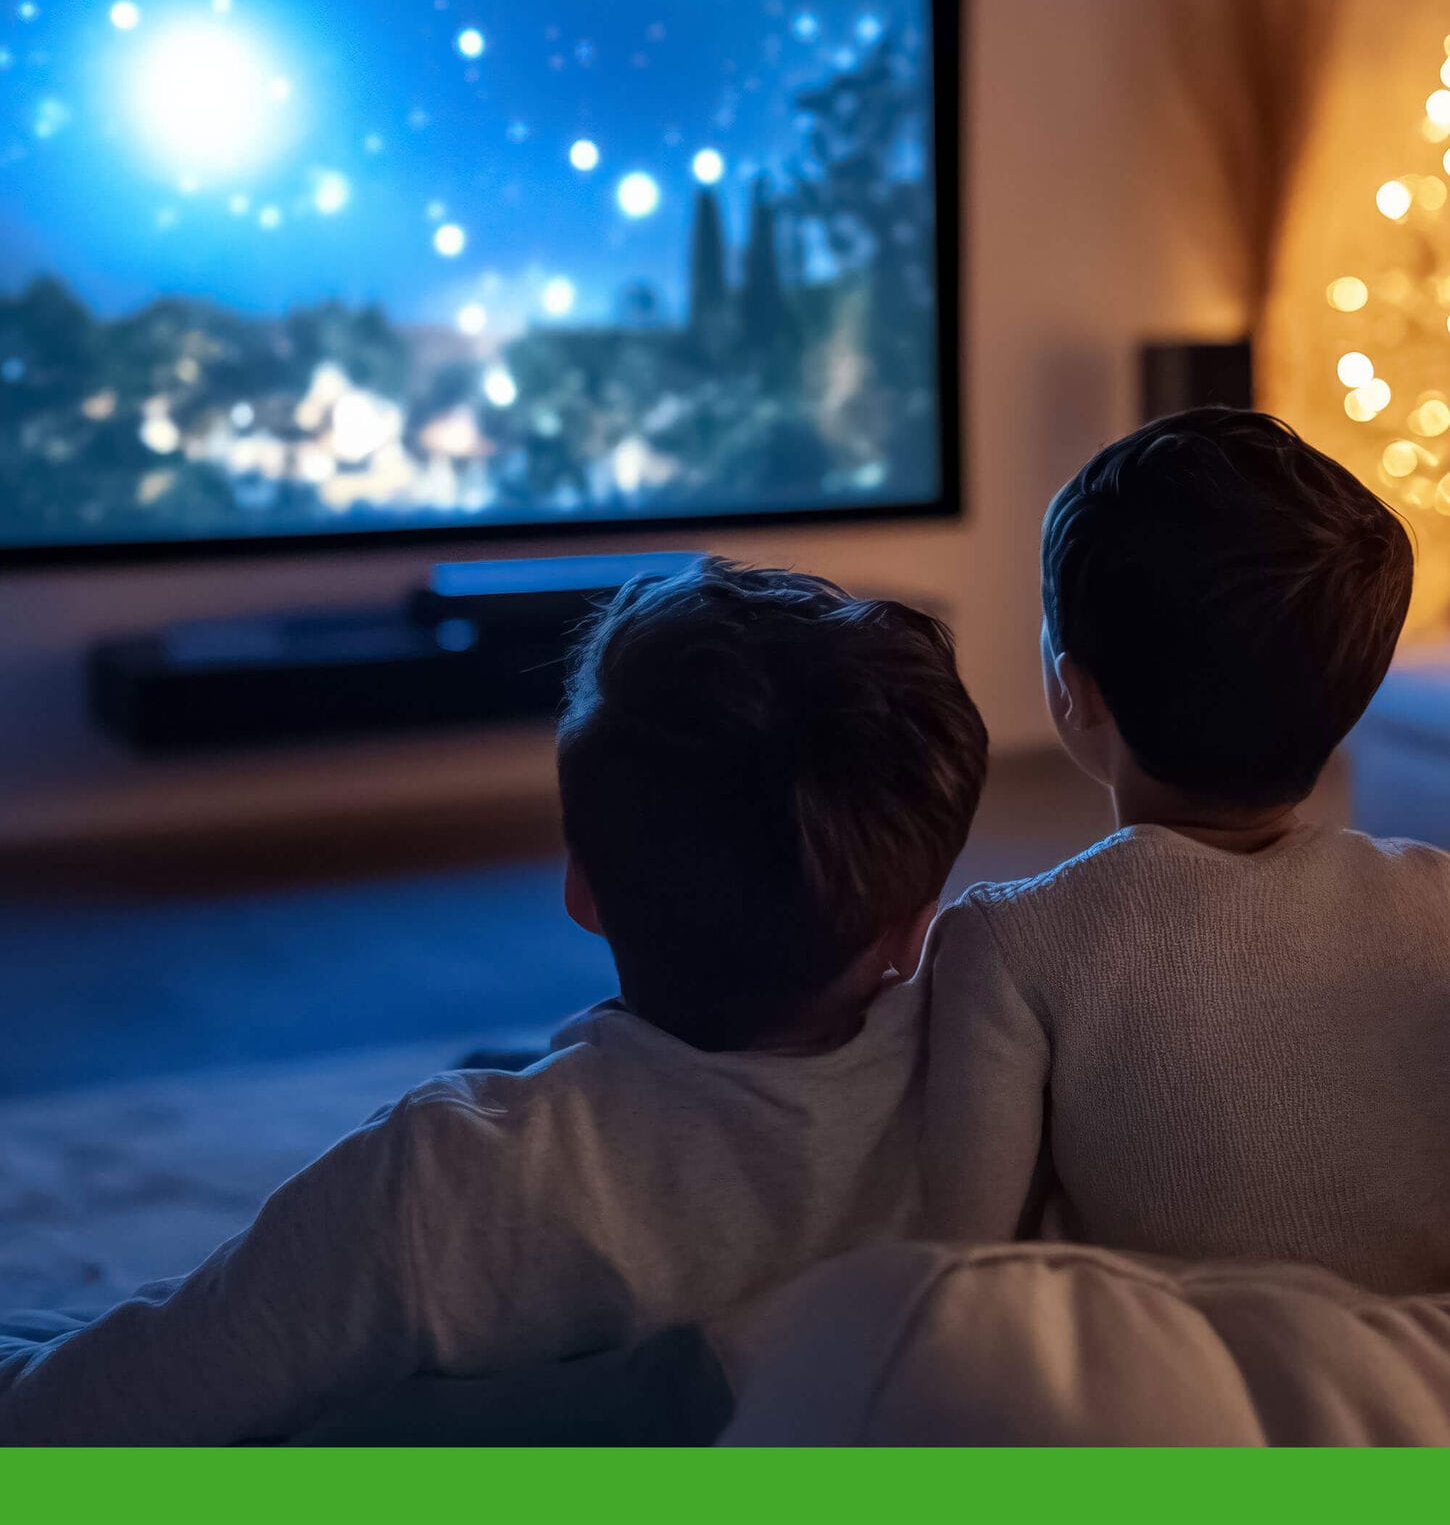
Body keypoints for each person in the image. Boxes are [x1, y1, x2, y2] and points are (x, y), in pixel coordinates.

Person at [0, 557, 987, 1445]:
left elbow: (69, 1425)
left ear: (582, 889)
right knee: (502, 1054)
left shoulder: (441, 1184)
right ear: (917, 920)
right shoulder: (1012, 1089)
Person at [925, 407, 1450, 1293]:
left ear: (1073, 693)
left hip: (1168, 1405)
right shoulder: (1437, 901)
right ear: (1354, 695)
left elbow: (968, 1267)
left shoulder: (1008, 945)